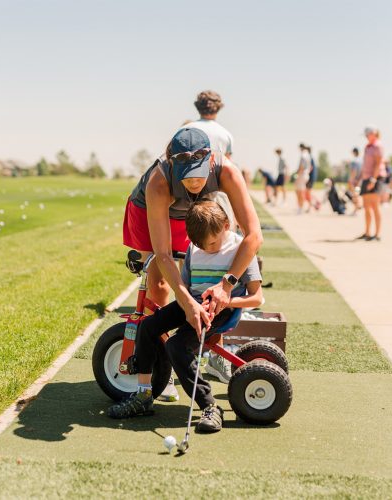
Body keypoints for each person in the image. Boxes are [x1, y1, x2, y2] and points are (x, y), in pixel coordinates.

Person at [122, 127, 262, 397]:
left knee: (212, 267)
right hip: (149, 211)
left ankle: (209, 351)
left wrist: (227, 284)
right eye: (186, 177)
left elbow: (254, 235)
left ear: (210, 160)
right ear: (172, 163)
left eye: (199, 175)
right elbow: (163, 254)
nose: (194, 182)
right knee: (159, 281)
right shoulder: (158, 183)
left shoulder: (227, 171)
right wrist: (185, 301)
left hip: (191, 211)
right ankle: (162, 365)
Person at [110, 200, 263, 432]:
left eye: (212, 243)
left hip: (221, 311)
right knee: (148, 326)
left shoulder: (241, 250)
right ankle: (143, 395)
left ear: (225, 225)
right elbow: (188, 289)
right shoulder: (195, 249)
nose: (208, 249)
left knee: (176, 346)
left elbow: (257, 298)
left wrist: (225, 300)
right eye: (201, 246)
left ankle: (209, 405)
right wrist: (190, 306)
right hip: (193, 304)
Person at [181, 91, 237, 382]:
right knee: (221, 276)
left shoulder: (186, 130)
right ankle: (216, 357)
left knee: (194, 280)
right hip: (217, 209)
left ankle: (185, 353)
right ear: (218, 108)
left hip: (190, 210)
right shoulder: (225, 133)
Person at [357, 125, 386, 241]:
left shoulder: (378, 146)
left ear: (374, 134)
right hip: (366, 177)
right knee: (366, 206)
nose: (366, 137)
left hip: (376, 178)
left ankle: (377, 234)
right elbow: (365, 165)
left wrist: (373, 180)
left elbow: (378, 164)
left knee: (375, 206)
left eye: (367, 134)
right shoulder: (367, 147)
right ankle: (367, 232)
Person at [294, 143, 311, 214]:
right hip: (306, 174)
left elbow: (302, 166)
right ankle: (300, 207)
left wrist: (297, 174)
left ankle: (300, 207)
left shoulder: (303, 155)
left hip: (302, 174)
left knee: (299, 191)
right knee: (301, 191)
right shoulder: (308, 155)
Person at [347, 147, 362, 214]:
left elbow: (354, 171)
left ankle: (356, 208)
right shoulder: (361, 161)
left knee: (354, 196)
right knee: (357, 195)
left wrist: (350, 180)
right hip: (359, 180)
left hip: (354, 181)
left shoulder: (354, 161)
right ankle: (357, 207)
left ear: (354, 152)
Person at [304, 146, 320, 211]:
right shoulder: (311, 157)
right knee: (308, 192)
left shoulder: (309, 157)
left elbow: (310, 168)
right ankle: (316, 202)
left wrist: (305, 174)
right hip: (311, 177)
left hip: (310, 178)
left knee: (307, 193)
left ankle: (311, 206)